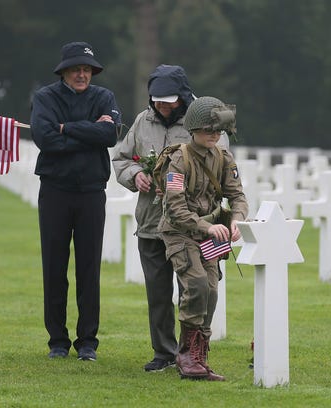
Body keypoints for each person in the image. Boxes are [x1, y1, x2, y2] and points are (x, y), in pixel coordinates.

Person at [30, 41, 121, 361]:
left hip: (91, 193)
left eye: (87, 69)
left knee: (89, 268)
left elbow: (110, 136)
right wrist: (89, 132)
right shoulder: (45, 98)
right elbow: (45, 139)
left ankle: (87, 342)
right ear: (64, 72)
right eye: (76, 69)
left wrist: (66, 128)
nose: (82, 74)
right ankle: (57, 339)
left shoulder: (104, 98)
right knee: (54, 266)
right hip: (55, 191)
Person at [158, 96, 248, 381]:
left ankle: (198, 356)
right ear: (193, 128)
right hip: (180, 232)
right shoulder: (179, 159)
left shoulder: (223, 158)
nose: (214, 135)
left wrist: (237, 219)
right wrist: (206, 227)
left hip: (210, 235)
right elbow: (175, 208)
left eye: (218, 130)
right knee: (195, 283)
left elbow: (237, 195)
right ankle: (186, 355)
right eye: (209, 129)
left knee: (210, 290)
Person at [112, 64, 194, 372]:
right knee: (158, 293)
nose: (162, 105)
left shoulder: (200, 121)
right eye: (157, 99)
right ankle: (164, 352)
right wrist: (136, 176)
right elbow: (121, 158)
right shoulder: (141, 122)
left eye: (169, 100)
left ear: (183, 97)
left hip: (188, 223)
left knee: (192, 291)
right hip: (150, 223)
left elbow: (219, 163)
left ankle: (191, 353)